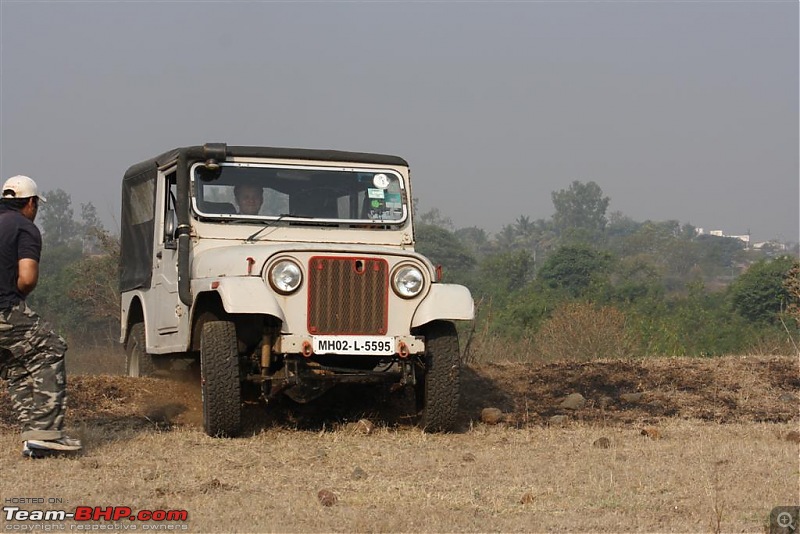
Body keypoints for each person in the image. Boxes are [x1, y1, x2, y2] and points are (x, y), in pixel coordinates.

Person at [0, 175, 82, 458]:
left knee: (16, 363)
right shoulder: (25, 227)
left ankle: (33, 435)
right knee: (50, 349)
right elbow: (27, 277)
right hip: (4, 309)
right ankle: (46, 433)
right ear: (31, 203)